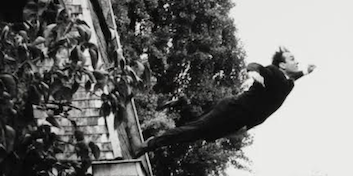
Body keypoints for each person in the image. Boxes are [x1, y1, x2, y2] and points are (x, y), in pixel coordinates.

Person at [134, 47, 316, 155]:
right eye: (292, 59)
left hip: (238, 123)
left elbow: (293, 77)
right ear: (282, 65)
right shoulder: (273, 73)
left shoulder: (288, 84)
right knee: (195, 130)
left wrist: (306, 72)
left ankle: (182, 106)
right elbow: (256, 66)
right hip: (231, 110)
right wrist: (252, 72)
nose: (297, 62)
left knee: (196, 135)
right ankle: (149, 144)